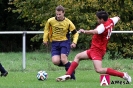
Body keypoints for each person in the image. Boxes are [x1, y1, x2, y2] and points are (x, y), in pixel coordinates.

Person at [56, 10, 132, 83]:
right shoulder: (111, 21)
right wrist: (118, 17)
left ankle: (123, 75)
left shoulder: (102, 27)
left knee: (99, 70)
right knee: (78, 56)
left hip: (97, 50)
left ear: (102, 19)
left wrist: (84, 31)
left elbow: (94, 32)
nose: (97, 20)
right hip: (94, 49)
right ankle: (68, 74)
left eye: (97, 19)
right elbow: (117, 18)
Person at [43, 5, 79, 80]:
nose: (58, 16)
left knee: (63, 59)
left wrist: (74, 42)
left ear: (63, 13)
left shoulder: (68, 22)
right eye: (57, 14)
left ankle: (72, 77)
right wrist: (45, 39)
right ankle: (70, 65)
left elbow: (75, 33)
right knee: (55, 61)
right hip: (55, 43)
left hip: (64, 42)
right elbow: (46, 30)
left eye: (60, 14)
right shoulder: (50, 21)